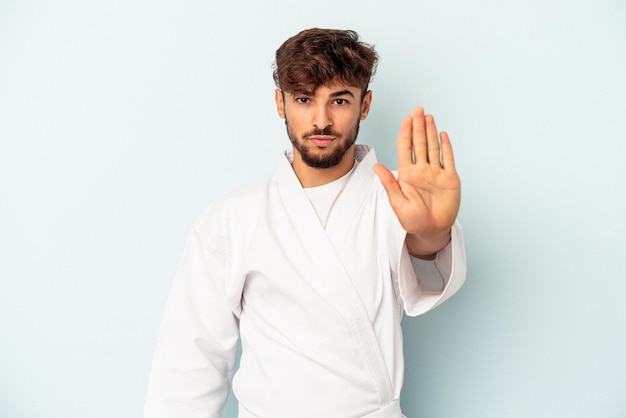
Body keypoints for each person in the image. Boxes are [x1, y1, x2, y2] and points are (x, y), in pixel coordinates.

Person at [143, 28, 466, 418]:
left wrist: (431, 234)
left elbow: (427, 282)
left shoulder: (397, 201)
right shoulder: (233, 217)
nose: (321, 120)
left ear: (364, 106)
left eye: (340, 100)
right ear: (281, 103)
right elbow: (191, 358)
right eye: (303, 99)